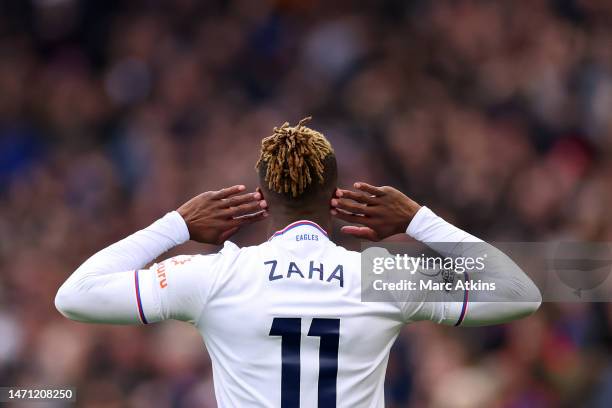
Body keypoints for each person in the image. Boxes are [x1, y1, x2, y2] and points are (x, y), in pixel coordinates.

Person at [55, 118, 541, 407]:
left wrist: (177, 224)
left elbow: (76, 296)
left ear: (262, 197)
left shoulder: (216, 277)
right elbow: (521, 293)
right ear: (336, 197)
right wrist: (418, 219)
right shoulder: (381, 277)